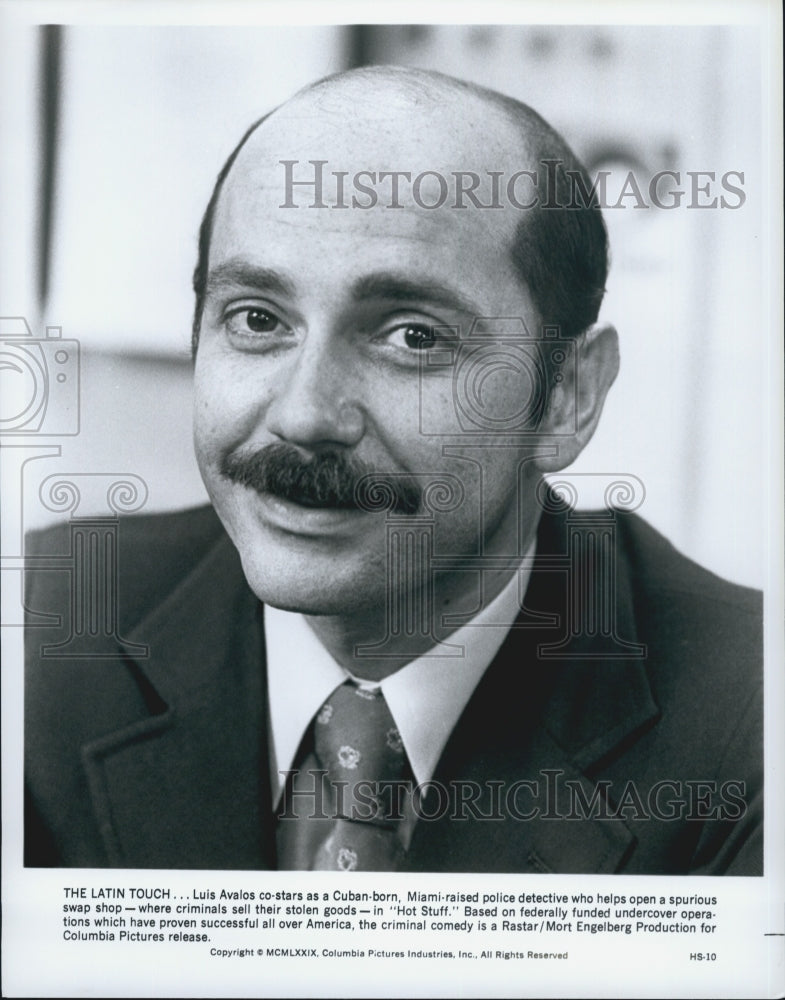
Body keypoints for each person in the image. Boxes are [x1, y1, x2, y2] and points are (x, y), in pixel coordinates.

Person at [24, 66, 762, 874]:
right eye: (258, 319)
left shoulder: (752, 720)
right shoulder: (43, 631)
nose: (304, 415)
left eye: (412, 336)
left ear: (565, 397)